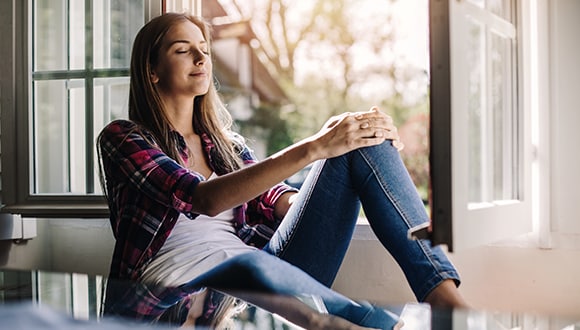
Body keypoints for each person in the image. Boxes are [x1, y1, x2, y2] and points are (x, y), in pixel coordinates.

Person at [98, 12, 467, 329]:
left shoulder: (226, 146)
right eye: (183, 50)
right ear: (152, 72)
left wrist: (325, 194)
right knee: (291, 280)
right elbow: (203, 199)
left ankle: (445, 298)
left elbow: (272, 197)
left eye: (205, 51)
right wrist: (316, 145)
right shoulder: (124, 139)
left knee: (361, 138)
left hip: (263, 269)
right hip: (175, 291)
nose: (201, 58)